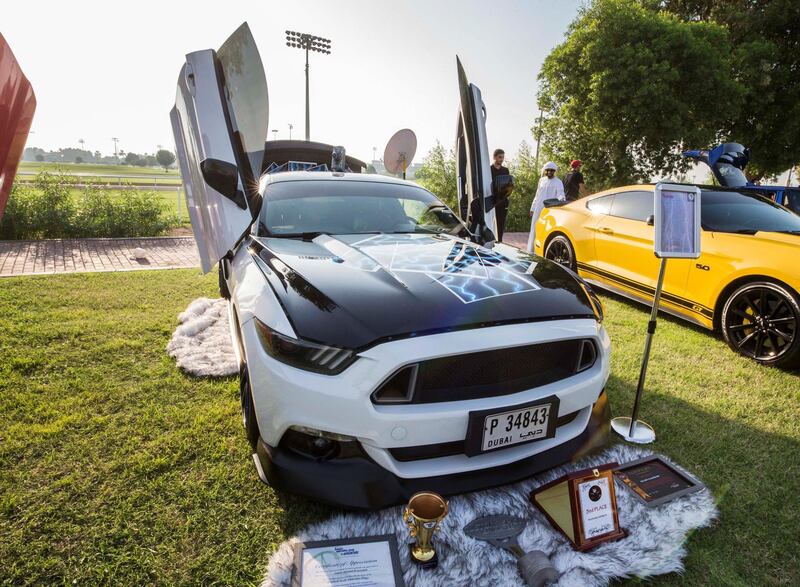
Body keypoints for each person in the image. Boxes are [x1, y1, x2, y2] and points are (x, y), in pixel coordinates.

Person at [526, 161, 564, 252]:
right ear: (545, 171)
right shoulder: (541, 180)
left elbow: (561, 195)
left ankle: (542, 252)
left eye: (551, 171)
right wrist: (532, 208)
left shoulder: (558, 182)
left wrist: (561, 199)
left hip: (549, 209)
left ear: (554, 171)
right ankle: (531, 251)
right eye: (548, 170)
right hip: (538, 209)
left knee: (546, 230)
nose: (549, 172)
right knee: (534, 229)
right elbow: (537, 195)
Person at [490, 148, 510, 242]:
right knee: (491, 224)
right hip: (491, 201)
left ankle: (499, 242)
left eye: (502, 157)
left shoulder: (506, 170)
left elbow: (508, 185)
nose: (501, 159)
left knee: (500, 224)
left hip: (502, 202)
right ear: (494, 157)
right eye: (499, 157)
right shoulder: (488, 170)